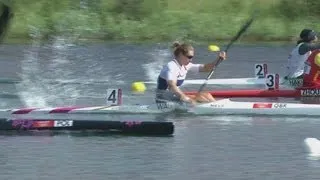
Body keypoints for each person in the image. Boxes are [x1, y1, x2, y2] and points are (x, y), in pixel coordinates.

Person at [156, 41, 227, 105]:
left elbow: (206, 68)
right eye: (189, 57)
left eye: (192, 57)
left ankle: (216, 106)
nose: (191, 59)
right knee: (201, 98)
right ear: (181, 55)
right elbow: (172, 86)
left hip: (174, 96)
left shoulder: (185, 66)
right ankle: (215, 107)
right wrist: (184, 98)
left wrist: (218, 60)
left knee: (207, 95)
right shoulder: (171, 66)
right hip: (163, 100)